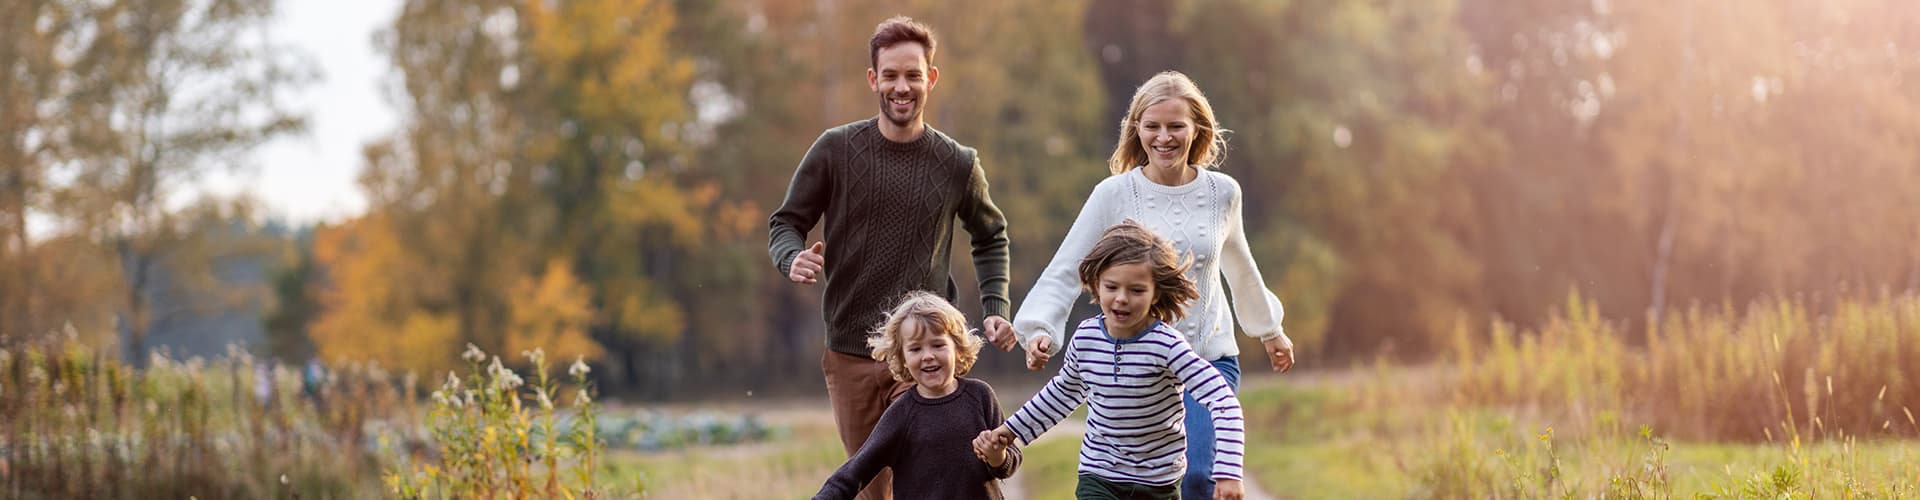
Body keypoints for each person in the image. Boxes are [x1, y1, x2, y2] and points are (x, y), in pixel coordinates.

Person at [1013, 70, 1295, 498]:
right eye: (1153, 126)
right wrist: (1040, 329)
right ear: (1137, 130)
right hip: (1140, 366)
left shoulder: (1224, 192)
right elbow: (1069, 265)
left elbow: (1239, 263)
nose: (1165, 137)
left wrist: (1269, 330)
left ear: (1196, 129)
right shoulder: (1114, 193)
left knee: (1202, 476)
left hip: (1207, 355)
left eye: (1176, 126)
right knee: (1150, 481)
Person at [768, 15, 1017, 500]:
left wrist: (995, 309)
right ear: (873, 79)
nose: (901, 87)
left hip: (925, 349)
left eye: (912, 75)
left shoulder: (957, 163)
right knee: (870, 489)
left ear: (931, 78)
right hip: (851, 356)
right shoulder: (835, 150)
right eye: (890, 75)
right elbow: (785, 222)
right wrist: (791, 257)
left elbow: (991, 235)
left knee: (934, 478)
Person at [979, 221, 1247, 500]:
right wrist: (1011, 430)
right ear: (1096, 283)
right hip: (1099, 474)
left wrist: (1228, 473)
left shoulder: (1167, 346)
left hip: (1157, 482)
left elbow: (1222, 399)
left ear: (1156, 292)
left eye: (1137, 290)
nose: (1121, 299)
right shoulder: (1086, 338)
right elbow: (1062, 393)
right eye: (1112, 286)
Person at [813, 291, 1021, 500]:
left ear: (957, 348)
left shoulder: (980, 396)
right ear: (902, 358)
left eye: (938, 345)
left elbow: (1010, 461)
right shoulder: (901, 414)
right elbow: (856, 470)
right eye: (915, 349)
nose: (928, 356)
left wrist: (997, 457)